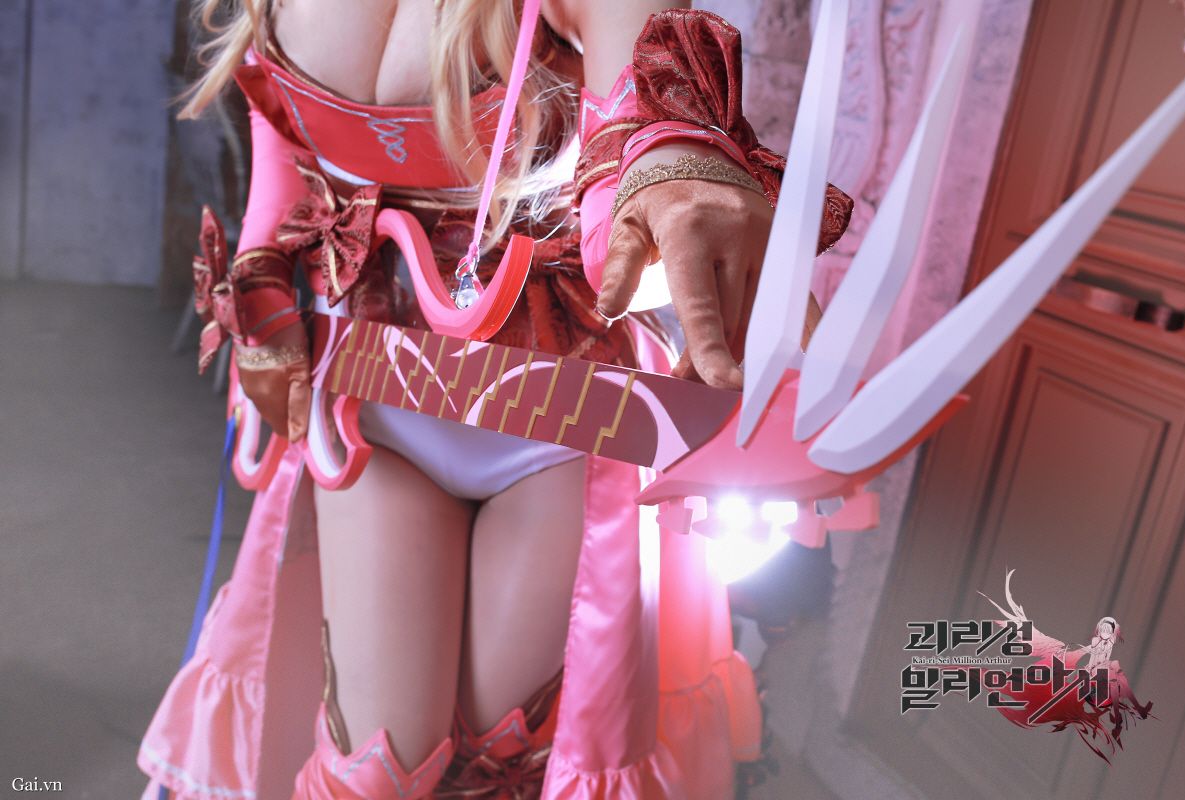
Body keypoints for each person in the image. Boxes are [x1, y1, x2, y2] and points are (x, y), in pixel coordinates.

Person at [138, 1, 851, 798]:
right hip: (373, 406)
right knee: (375, 769)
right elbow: (282, 151)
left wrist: (672, 169)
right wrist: (260, 281)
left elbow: (635, 135)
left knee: (497, 764)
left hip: (557, 424)